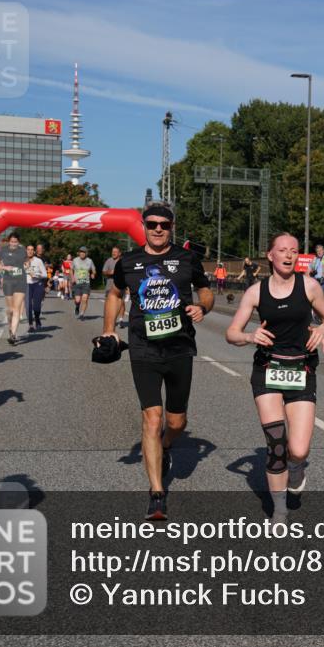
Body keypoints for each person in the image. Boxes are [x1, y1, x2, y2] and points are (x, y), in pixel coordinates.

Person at [101, 204, 215, 520]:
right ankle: (157, 493)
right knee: (152, 418)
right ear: (144, 226)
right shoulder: (128, 261)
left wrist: (203, 307)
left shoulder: (187, 259)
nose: (158, 229)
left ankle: (165, 445)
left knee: (176, 422)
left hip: (180, 348)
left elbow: (206, 291)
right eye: (152, 224)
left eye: (164, 224)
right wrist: (109, 330)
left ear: (172, 226)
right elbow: (115, 294)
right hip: (143, 348)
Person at [226, 233, 324, 524]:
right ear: (270, 255)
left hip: (301, 370)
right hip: (267, 370)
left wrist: (323, 328)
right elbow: (231, 333)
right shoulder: (256, 292)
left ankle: (296, 468)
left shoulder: (309, 286)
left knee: (298, 449)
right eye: (283, 250)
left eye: (294, 251)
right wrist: (250, 336)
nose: (289, 255)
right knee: (276, 444)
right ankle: (279, 510)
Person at [0, 232, 27, 345]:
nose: (13, 244)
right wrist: (4, 267)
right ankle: (10, 326)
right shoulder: (3, 251)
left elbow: (27, 261)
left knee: (17, 308)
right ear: (9, 241)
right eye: (12, 242)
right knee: (11, 310)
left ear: (18, 242)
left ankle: (13, 334)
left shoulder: (22, 250)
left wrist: (27, 265)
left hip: (21, 281)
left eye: (16, 242)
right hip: (8, 281)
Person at [25, 244, 47, 331]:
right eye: (28, 249)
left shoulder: (38, 261)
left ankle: (37, 319)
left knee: (36, 306)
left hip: (37, 284)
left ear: (34, 251)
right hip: (27, 285)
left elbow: (45, 274)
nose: (30, 251)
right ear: (26, 251)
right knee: (28, 306)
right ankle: (30, 324)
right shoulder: (22, 261)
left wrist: (36, 275)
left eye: (32, 250)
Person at [102, 246, 126, 326]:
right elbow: (104, 271)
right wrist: (110, 272)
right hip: (110, 285)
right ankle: (111, 319)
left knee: (121, 302)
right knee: (109, 303)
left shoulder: (123, 261)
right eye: (113, 252)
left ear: (119, 253)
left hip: (120, 285)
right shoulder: (109, 260)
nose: (113, 253)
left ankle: (121, 319)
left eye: (115, 252)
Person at [72, 246, 96, 319]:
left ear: (86, 253)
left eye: (83, 252)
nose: (82, 253)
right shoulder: (75, 260)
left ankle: (82, 314)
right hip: (77, 283)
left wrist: (93, 274)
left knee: (85, 299)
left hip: (86, 283)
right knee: (77, 300)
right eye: (81, 252)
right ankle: (77, 306)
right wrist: (72, 277)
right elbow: (71, 270)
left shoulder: (90, 261)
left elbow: (94, 270)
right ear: (79, 253)